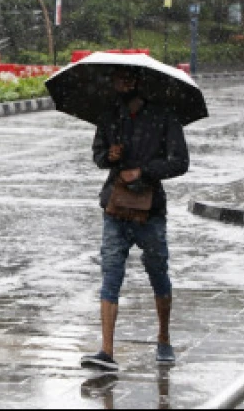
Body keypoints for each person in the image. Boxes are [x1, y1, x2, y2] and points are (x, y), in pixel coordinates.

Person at [80, 67, 190, 371]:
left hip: (150, 209)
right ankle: (106, 350)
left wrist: (144, 171)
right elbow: (98, 155)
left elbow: (180, 162)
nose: (121, 84)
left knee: (157, 270)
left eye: (127, 80)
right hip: (115, 206)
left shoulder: (164, 117)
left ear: (140, 83)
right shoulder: (109, 116)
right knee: (111, 271)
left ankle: (164, 338)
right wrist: (110, 157)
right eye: (116, 79)